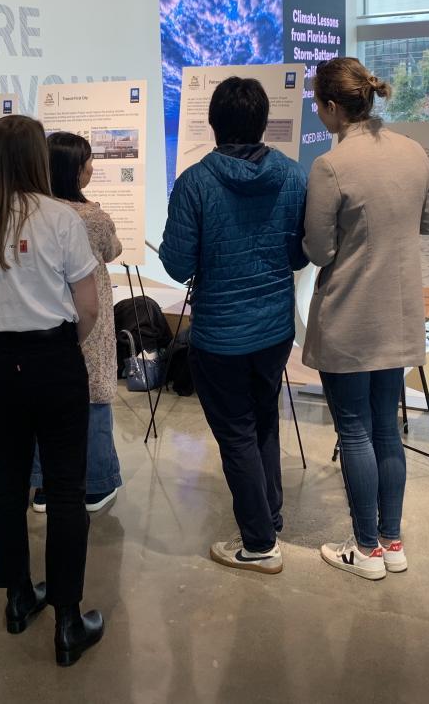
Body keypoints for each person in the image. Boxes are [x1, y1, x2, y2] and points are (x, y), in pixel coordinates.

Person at [0, 114, 105, 666]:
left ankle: (18, 599)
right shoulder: (61, 218)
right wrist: (66, 348)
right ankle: (66, 620)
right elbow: (88, 306)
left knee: (8, 479)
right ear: (38, 157)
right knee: (65, 488)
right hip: (52, 357)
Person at [159, 77, 308, 575]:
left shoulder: (195, 182)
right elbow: (296, 254)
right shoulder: (292, 175)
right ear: (264, 122)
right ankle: (271, 513)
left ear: (213, 123)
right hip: (274, 327)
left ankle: (259, 543)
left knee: (237, 433)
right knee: (264, 418)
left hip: (221, 332)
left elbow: (177, 265)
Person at [302, 56, 429, 581]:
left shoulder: (332, 166)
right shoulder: (412, 152)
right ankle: (392, 541)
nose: (319, 113)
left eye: (319, 105)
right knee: (387, 428)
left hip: (349, 314)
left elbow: (318, 250)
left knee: (355, 431)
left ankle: (365, 549)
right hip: (399, 314)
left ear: (334, 107)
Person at [30, 132, 124, 513]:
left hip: (46, 317)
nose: (91, 167)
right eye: (87, 161)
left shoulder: (33, 214)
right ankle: (97, 485)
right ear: (74, 170)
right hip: (90, 314)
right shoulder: (94, 218)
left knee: (45, 401)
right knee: (95, 396)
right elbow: (113, 251)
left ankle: (42, 487)